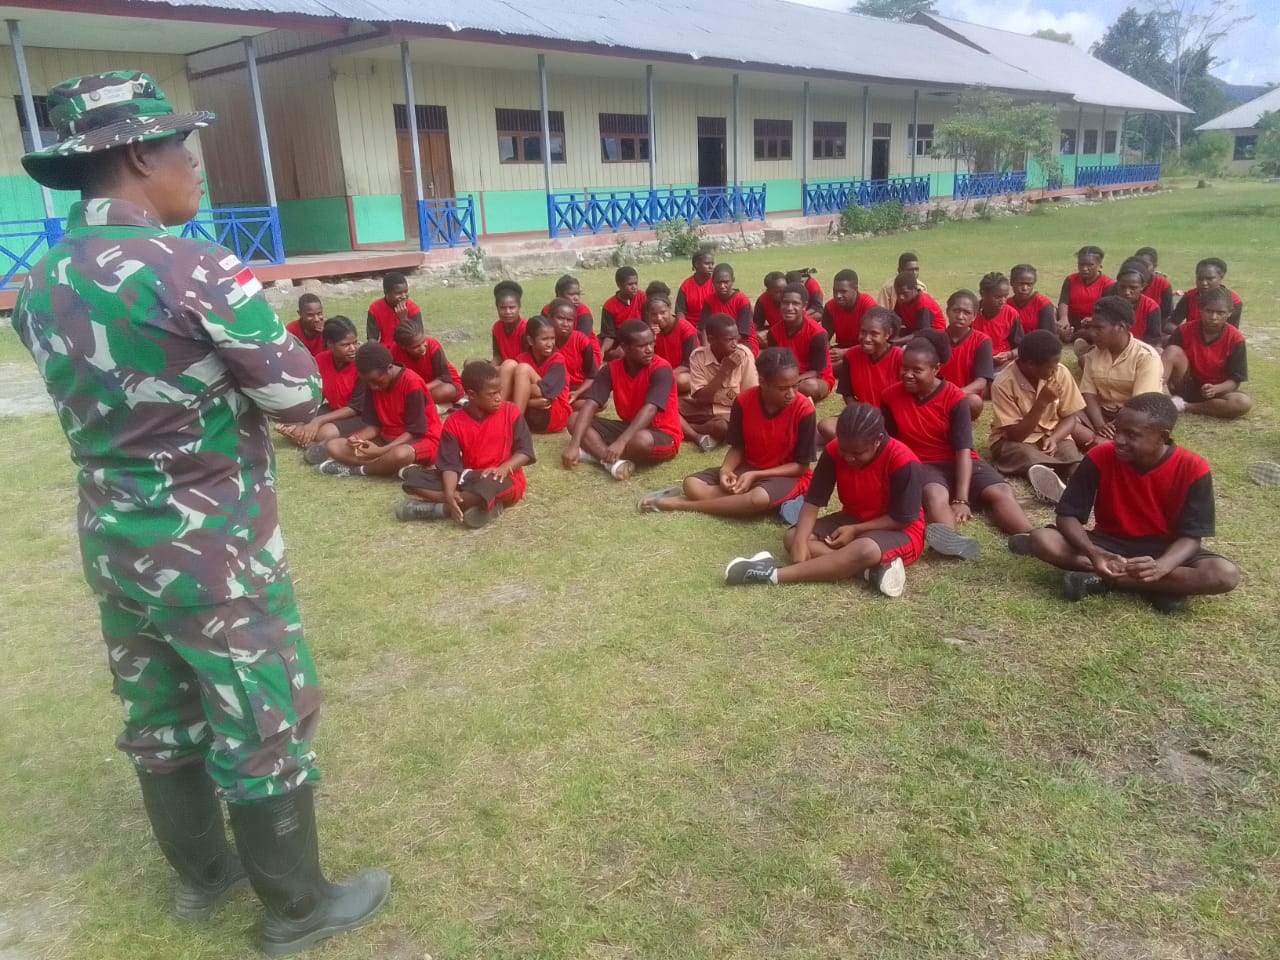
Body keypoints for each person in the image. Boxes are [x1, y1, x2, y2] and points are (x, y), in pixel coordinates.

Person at [11, 71, 387, 955]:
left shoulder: (39, 281)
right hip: (211, 547)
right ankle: (296, 908)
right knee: (259, 717)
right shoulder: (196, 266)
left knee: (158, 714)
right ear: (141, 154)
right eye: (183, 147)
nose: (195, 168)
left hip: (114, 540)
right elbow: (297, 393)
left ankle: (202, 880)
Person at [1017, 393, 1239, 613]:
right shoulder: (1100, 456)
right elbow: (1067, 515)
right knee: (1043, 540)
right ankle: (1161, 588)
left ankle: (1110, 580)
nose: (1119, 440)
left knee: (1223, 574)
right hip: (1109, 544)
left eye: (1131, 435)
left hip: (1166, 548)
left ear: (1162, 437)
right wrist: (1093, 552)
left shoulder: (1194, 468)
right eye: (1118, 430)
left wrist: (1163, 566)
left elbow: (1191, 537)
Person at [723, 403, 922, 598]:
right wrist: (800, 542)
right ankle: (869, 573)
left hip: (900, 529)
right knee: (792, 537)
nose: (849, 458)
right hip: (852, 518)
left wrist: (856, 530)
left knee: (865, 549)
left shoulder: (903, 461)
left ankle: (772, 574)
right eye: (845, 450)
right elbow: (813, 501)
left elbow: (903, 518)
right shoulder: (834, 450)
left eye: (858, 453)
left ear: (878, 440)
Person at [881, 330, 1031, 560]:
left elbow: (962, 450)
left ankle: (1030, 538)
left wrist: (961, 500)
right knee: (934, 493)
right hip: (922, 463)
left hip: (960, 460)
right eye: (904, 368)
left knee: (1000, 491)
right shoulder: (890, 396)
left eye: (916, 370)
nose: (908, 375)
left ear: (936, 369)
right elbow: (891, 443)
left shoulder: (955, 399)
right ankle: (952, 542)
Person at [639, 348, 815, 518]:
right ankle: (746, 503)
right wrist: (726, 470)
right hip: (749, 469)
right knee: (691, 485)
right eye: (783, 388)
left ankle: (680, 504)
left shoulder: (804, 409)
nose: (791, 394)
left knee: (757, 498)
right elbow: (737, 447)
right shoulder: (744, 402)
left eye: (795, 385)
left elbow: (802, 467)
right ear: (763, 382)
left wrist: (755, 475)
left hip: (787, 476)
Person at [397, 361, 534, 528]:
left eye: (499, 391)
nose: (499, 397)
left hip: (502, 477)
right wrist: (449, 492)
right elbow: (449, 465)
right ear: (472, 395)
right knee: (414, 479)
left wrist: (504, 468)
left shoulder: (511, 412)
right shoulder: (454, 422)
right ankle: (473, 504)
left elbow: (525, 451)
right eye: (492, 394)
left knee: (487, 487)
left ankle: (441, 509)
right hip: (468, 477)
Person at [562, 319, 682, 480]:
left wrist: (621, 441)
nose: (649, 350)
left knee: (640, 440)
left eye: (651, 343)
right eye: (641, 346)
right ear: (625, 348)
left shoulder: (661, 369)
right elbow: (591, 404)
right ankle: (612, 463)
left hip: (661, 434)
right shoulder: (610, 370)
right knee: (574, 419)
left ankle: (596, 454)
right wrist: (574, 445)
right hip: (630, 427)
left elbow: (651, 408)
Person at [988, 329, 1092, 503]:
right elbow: (1015, 435)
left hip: (1053, 434)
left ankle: (1069, 479)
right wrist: (1042, 403)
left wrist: (1056, 438)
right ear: (1030, 365)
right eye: (1051, 365)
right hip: (1014, 441)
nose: (1056, 369)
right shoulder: (1003, 383)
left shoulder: (1061, 372)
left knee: (1073, 459)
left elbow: (1070, 416)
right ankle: (1049, 476)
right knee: (1027, 456)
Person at [318, 342, 442, 477]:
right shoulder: (372, 383)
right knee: (333, 446)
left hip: (420, 440)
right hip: (386, 438)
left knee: (400, 454)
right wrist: (356, 439)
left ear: (389, 368)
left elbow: (414, 432)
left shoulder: (412, 383)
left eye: (377, 382)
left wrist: (381, 451)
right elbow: (375, 426)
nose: (374, 387)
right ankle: (390, 467)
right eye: (368, 383)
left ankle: (359, 471)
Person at [276, 315, 365, 460]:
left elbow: (355, 408)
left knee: (325, 432)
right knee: (291, 422)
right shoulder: (321, 360)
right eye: (345, 345)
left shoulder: (362, 363)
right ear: (330, 344)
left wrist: (317, 421)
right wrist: (303, 419)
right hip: (333, 409)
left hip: (360, 415)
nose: (352, 348)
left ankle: (311, 442)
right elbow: (316, 395)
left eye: (354, 343)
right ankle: (310, 441)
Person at [1079, 296, 1164, 442]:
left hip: (1135, 416)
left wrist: (1114, 426)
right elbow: (1089, 394)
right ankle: (1100, 443)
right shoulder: (1093, 355)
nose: (1092, 333)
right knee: (1066, 417)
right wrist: (1100, 425)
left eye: (1099, 328)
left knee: (1141, 430)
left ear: (1121, 327)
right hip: (1102, 415)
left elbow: (1140, 403)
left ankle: (1097, 444)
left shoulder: (1146, 357)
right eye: (1092, 327)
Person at [1162, 286, 1251, 419]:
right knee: (1172, 351)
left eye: (1220, 313)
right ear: (1201, 309)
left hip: (1214, 391)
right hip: (1185, 384)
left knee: (1242, 402)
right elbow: (1169, 360)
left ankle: (1185, 407)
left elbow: (1235, 380)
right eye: (1209, 311)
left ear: (1230, 313)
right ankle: (1154, 399)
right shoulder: (1184, 330)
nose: (1214, 317)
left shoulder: (1235, 338)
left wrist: (1217, 389)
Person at [680, 313, 758, 446]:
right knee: (667, 407)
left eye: (736, 338)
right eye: (729, 340)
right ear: (711, 340)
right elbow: (701, 399)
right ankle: (697, 432)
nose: (735, 344)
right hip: (705, 407)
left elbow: (750, 398)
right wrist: (724, 371)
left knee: (722, 428)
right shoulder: (698, 356)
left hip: (731, 411)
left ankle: (688, 429)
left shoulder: (744, 355)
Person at [499, 314, 572, 434]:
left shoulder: (558, 360)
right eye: (544, 339)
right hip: (531, 409)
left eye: (552, 338)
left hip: (552, 414)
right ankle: (498, 417)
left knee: (523, 369)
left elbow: (543, 394)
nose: (550, 344)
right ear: (530, 341)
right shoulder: (523, 357)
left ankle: (515, 426)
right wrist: (530, 402)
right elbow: (508, 387)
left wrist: (522, 393)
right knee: (508, 364)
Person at [768, 282, 832, 401]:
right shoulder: (773, 333)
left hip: (815, 379)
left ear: (804, 306)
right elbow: (775, 366)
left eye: (795, 303)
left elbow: (816, 372)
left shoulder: (818, 334)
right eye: (785, 303)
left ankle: (786, 395)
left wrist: (789, 383)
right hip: (785, 377)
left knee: (809, 387)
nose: (789, 308)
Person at [938, 289, 993, 421]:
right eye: (956, 310)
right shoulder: (937, 338)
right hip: (937, 393)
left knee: (974, 402)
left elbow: (981, 382)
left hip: (963, 395)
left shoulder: (982, 341)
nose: (960, 316)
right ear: (947, 311)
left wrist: (954, 394)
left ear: (974, 316)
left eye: (966, 312)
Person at [391, 321, 462, 407]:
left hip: (443, 384)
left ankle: (429, 404)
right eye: (416, 347)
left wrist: (420, 388)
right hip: (416, 388)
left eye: (423, 342)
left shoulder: (433, 345)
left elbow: (445, 378)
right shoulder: (395, 351)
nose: (422, 348)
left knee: (444, 392)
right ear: (403, 347)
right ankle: (436, 405)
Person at [822, 268, 878, 377]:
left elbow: (874, 342)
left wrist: (845, 352)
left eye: (843, 291)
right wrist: (826, 351)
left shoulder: (868, 305)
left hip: (864, 349)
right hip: (842, 347)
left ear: (855, 289)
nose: (838, 295)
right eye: (835, 291)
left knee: (832, 367)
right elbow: (824, 338)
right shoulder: (830, 307)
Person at [548, 297, 600, 405]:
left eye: (569, 320)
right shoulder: (544, 341)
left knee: (600, 401)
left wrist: (577, 393)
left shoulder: (581, 340)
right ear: (550, 318)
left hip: (577, 389)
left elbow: (592, 376)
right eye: (560, 318)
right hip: (552, 388)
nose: (565, 323)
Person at [1056, 245, 1111, 346]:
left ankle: (1069, 336)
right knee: (1050, 311)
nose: (1085, 268)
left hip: (1091, 322)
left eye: (1090, 265)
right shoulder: (1071, 279)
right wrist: (1063, 318)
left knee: (1096, 330)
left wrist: (1093, 318)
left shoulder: (1107, 284)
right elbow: (1063, 301)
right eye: (1081, 264)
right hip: (1071, 319)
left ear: (1099, 265)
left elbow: (1106, 310)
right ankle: (1065, 333)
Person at [646, 293, 699, 396]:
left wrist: (667, 374)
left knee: (681, 381)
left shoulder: (686, 330)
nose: (659, 318)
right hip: (660, 370)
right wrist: (652, 338)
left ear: (670, 309)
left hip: (683, 371)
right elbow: (647, 358)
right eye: (654, 314)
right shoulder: (650, 330)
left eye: (662, 312)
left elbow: (690, 364)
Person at [699, 263, 758, 355]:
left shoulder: (742, 301)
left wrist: (722, 347)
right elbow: (703, 329)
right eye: (718, 282)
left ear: (732, 281)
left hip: (742, 342)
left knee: (738, 357)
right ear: (712, 282)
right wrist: (706, 349)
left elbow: (742, 333)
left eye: (726, 282)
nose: (722, 286)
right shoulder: (709, 301)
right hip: (717, 342)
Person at [1169, 257, 1243, 329]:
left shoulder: (1233, 301)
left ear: (1221, 277)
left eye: (1210, 279)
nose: (1204, 283)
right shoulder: (1190, 296)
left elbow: (1232, 332)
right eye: (1200, 279)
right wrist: (1185, 335)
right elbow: (1171, 323)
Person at [973, 271, 1023, 369]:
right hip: (975, 361)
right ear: (983, 294)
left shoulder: (1011, 314)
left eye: (1005, 296)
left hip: (1003, 364)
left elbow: (1021, 347)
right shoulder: (971, 313)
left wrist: (1009, 354)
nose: (1003, 301)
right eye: (998, 297)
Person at [1111, 261, 1165, 347]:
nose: (1127, 292)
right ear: (1117, 284)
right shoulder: (1108, 305)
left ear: (1142, 286)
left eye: (1133, 288)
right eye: (1122, 287)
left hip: (1141, 348)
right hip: (1113, 346)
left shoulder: (1151, 307)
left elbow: (1154, 340)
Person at [599, 266, 646, 361]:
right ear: (619, 285)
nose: (634, 287)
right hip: (619, 340)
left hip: (640, 336)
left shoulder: (642, 297)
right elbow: (609, 334)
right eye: (630, 284)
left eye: (636, 283)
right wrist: (602, 351)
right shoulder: (609, 306)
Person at [367, 271, 421, 346]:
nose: (404, 296)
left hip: (406, 349)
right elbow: (372, 338)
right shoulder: (375, 309)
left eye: (406, 292)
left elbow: (418, 340)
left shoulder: (413, 308)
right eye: (398, 293)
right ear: (386, 292)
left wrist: (404, 319)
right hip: (385, 351)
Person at [890, 273, 945, 343]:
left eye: (905, 293)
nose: (901, 297)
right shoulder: (902, 300)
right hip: (915, 330)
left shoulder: (923, 304)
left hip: (935, 337)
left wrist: (897, 341)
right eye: (898, 293)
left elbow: (923, 334)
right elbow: (895, 321)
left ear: (915, 289)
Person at [1008, 264, 1057, 333]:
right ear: (1011, 282)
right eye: (1021, 284)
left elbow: (1049, 335)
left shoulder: (1042, 304)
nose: (1025, 288)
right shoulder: (1006, 305)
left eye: (1029, 284)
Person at [491, 279, 528, 364]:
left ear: (519, 307)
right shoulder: (497, 327)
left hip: (520, 369)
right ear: (497, 308)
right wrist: (492, 367)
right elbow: (497, 355)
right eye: (503, 308)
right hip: (503, 366)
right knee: (471, 363)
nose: (507, 312)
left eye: (512, 307)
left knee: (509, 364)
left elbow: (525, 360)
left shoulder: (525, 328)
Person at [675, 248, 716, 323]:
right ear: (696, 264)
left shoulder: (716, 283)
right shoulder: (686, 286)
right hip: (691, 327)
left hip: (712, 325)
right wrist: (684, 326)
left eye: (712, 264)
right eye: (707, 264)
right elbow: (680, 311)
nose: (711, 267)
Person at [1133, 247, 1174, 319]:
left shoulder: (1163, 285)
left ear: (1154, 266)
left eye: (1145, 265)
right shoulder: (1126, 282)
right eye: (1138, 264)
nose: (1141, 268)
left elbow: (1166, 315)